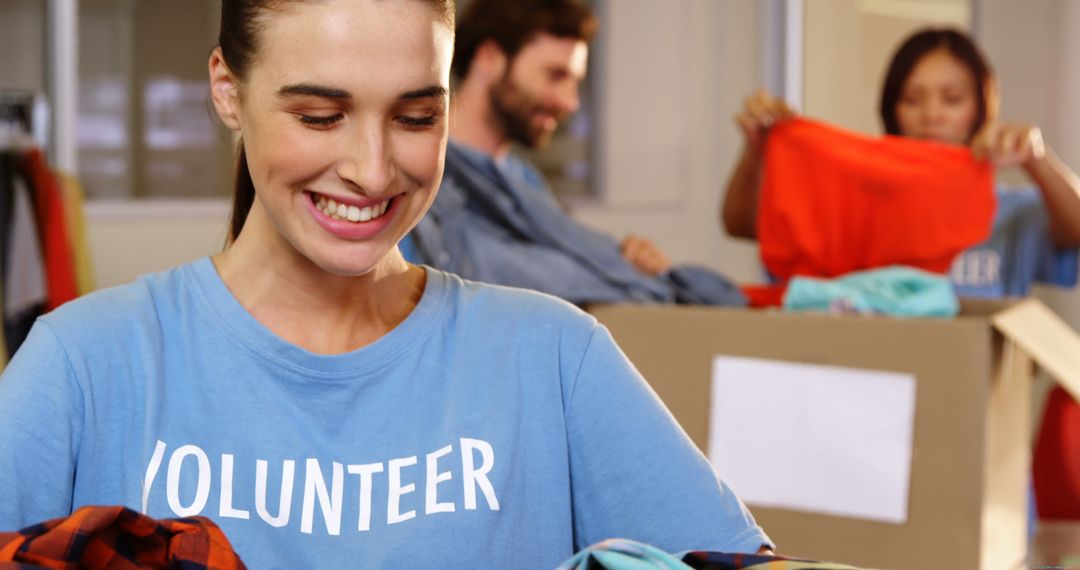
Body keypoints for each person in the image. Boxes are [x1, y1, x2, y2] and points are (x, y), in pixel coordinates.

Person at [0, 0, 772, 567]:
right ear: (227, 89)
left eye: (413, 118)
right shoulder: (83, 364)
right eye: (319, 115)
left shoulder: (555, 358)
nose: (372, 171)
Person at [402, 0, 746, 307]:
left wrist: (627, 261)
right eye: (555, 75)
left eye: (575, 82)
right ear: (491, 57)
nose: (570, 102)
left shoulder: (525, 181)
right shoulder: (423, 177)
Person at [722, 27, 1080, 298]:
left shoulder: (1009, 212)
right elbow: (742, 224)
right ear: (892, 108)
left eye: (952, 98)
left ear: (982, 106)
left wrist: (1038, 159)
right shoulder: (857, 201)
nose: (932, 115)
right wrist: (758, 151)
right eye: (912, 99)